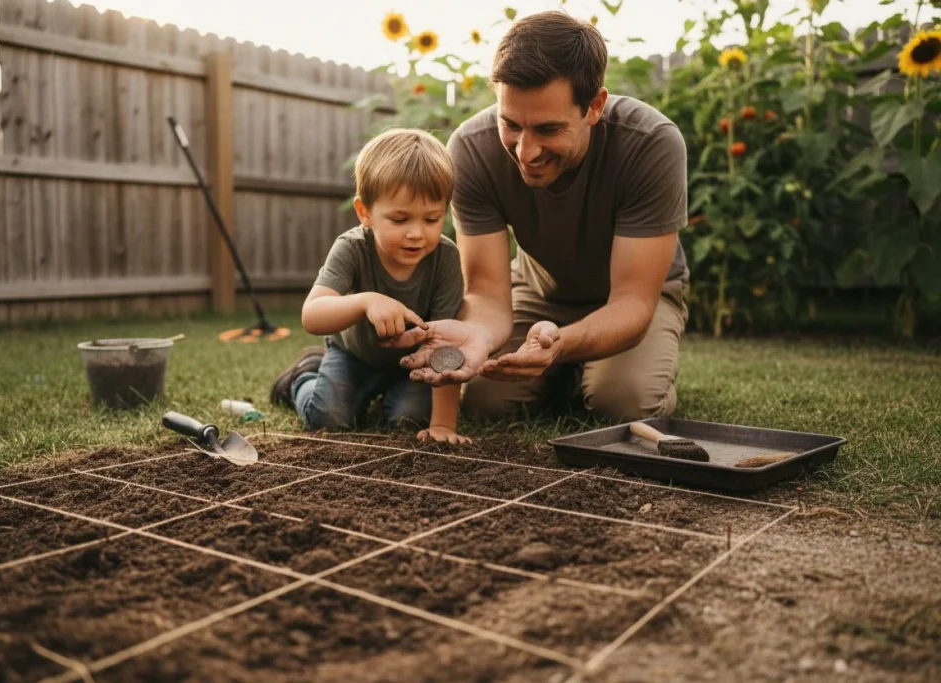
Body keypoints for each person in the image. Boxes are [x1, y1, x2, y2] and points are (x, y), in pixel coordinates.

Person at [384, 10, 690, 421]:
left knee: (623, 403)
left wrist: (560, 344)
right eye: (510, 123)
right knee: (483, 400)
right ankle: (568, 372)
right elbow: (489, 293)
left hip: (634, 299)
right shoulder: (472, 150)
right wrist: (477, 336)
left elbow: (633, 302)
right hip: (539, 292)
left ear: (595, 106)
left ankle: (585, 367)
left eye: (548, 129)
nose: (525, 152)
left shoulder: (650, 144)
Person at [269, 128, 471, 444]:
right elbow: (312, 315)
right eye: (400, 220)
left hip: (413, 362)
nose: (417, 233)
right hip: (353, 356)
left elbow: (446, 346)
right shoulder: (351, 248)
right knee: (329, 419)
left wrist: (444, 424)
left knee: (409, 421)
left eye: (431, 219)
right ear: (365, 212)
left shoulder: (446, 259)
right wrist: (366, 301)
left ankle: (391, 394)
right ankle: (302, 378)